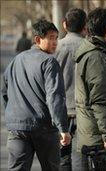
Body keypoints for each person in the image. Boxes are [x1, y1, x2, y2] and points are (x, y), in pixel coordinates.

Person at [1, 19, 71, 171]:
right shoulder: (49, 62)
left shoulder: (16, 60)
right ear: (38, 39)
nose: (55, 42)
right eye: (51, 38)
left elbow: (4, 91)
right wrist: (63, 128)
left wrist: (12, 114)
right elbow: (55, 97)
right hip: (43, 127)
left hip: (17, 129)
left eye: (56, 38)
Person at [74, 8, 106, 170]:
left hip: (97, 135)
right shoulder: (97, 57)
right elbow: (100, 99)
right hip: (101, 141)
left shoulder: (96, 52)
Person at [55, 8, 87, 171]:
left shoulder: (55, 48)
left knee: (62, 157)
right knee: (80, 158)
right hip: (84, 112)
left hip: (60, 111)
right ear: (85, 27)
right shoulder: (90, 48)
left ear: (65, 25)